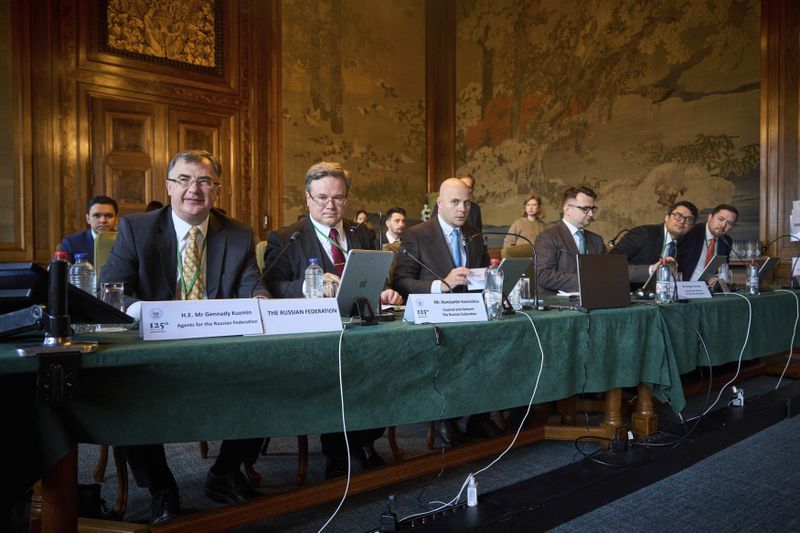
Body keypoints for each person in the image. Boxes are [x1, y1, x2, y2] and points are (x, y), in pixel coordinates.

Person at [101, 149, 270, 523]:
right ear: (169, 186)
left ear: (218, 190)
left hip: (219, 347)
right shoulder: (137, 228)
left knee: (271, 372)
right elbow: (110, 289)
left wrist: (260, 300)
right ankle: (161, 487)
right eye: (184, 179)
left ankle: (224, 472)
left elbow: (253, 287)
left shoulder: (238, 234)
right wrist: (149, 313)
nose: (194, 189)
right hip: (155, 344)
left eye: (205, 181)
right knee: (125, 389)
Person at [264, 161, 402, 478]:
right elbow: (270, 286)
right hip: (317, 338)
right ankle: (338, 449)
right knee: (341, 375)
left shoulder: (362, 233)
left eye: (338, 198)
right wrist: (308, 286)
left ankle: (363, 439)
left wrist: (386, 293)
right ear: (308, 198)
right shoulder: (287, 238)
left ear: (347, 199)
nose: (331, 205)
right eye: (322, 197)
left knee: (391, 367)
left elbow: (375, 281)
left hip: (365, 331)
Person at [391, 178, 498, 445]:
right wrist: (441, 285)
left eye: (467, 203)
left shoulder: (473, 233)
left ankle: (479, 417)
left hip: (471, 315)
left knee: (499, 344)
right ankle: (444, 418)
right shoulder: (417, 235)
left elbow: (481, 272)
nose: (462, 209)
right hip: (435, 320)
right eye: (455, 202)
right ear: (439, 204)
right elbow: (400, 281)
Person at [535, 186, 606, 296]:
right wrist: (586, 281)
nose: (591, 214)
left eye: (593, 209)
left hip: (595, 298)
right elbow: (544, 275)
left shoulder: (597, 240)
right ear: (567, 209)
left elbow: (606, 271)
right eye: (585, 209)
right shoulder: (547, 237)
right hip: (558, 305)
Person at [610, 200, 698, 284]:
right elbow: (611, 265)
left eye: (689, 220)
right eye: (678, 216)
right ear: (667, 217)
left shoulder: (686, 245)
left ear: (691, 227)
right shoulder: (642, 234)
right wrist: (651, 270)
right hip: (631, 293)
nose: (682, 221)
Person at [677, 204, 738, 281]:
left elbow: (723, 269)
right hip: (685, 287)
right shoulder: (691, 231)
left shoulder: (726, 241)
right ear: (710, 217)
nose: (723, 225)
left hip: (709, 290)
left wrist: (718, 279)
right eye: (720, 219)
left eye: (729, 223)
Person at [60, 195, 119, 263]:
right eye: (97, 215)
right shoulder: (71, 243)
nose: (103, 220)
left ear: (116, 219)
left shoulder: (126, 242)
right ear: (88, 219)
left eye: (109, 216)